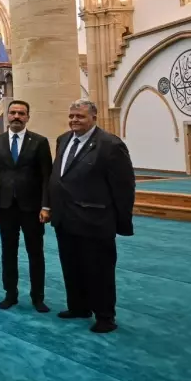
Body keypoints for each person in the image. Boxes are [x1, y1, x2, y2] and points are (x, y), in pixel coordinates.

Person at [49, 99, 135, 333]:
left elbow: (124, 187)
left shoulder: (110, 145)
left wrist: (121, 221)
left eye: (80, 116)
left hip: (96, 220)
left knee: (99, 270)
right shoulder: (63, 140)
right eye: (72, 116)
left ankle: (105, 316)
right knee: (71, 265)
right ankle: (78, 306)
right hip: (65, 218)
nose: (74, 120)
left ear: (94, 118)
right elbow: (59, 176)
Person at [0, 100, 54, 312]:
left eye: (21, 113)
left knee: (35, 253)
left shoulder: (40, 142)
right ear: (7, 116)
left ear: (28, 116)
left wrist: (46, 206)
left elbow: (47, 177)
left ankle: (38, 297)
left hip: (33, 208)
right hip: (6, 207)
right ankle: (10, 294)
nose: (17, 116)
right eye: (13, 112)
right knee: (8, 252)